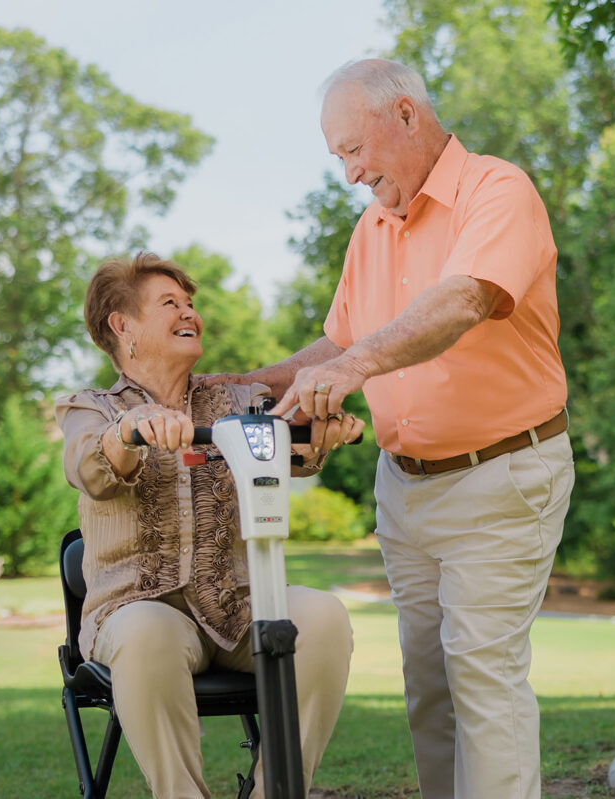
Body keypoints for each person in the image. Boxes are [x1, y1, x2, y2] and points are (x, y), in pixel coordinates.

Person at [217, 59, 575, 799]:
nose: (349, 173)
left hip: (500, 474)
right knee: (431, 689)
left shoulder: (496, 191)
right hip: (405, 489)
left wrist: (354, 370)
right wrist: (248, 380)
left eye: (353, 150)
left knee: (483, 677)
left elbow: (465, 300)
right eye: (337, 158)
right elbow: (339, 343)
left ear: (407, 115)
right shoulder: (373, 228)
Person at [56, 251, 361, 798]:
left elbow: (290, 438)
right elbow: (87, 465)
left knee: (323, 616)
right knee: (148, 631)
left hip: (239, 609)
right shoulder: (92, 408)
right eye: (169, 303)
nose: (189, 313)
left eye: (190, 304)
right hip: (139, 610)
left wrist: (320, 430)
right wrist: (131, 430)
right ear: (122, 327)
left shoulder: (240, 402)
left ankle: (276, 792)